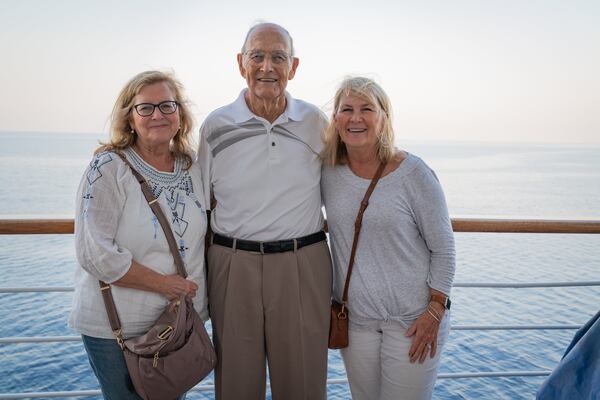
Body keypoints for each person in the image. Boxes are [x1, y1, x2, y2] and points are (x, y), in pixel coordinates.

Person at [197, 22, 332, 400]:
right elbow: (200, 203)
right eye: (257, 56)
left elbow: (342, 185)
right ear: (241, 63)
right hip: (232, 263)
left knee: (304, 385)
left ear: (294, 66)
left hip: (302, 263)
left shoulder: (316, 123)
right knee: (237, 386)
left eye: (278, 57)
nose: (267, 67)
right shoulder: (215, 126)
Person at [69, 70, 208, 400]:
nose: (157, 115)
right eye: (145, 108)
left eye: (167, 106)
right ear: (130, 118)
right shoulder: (108, 168)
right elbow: (94, 251)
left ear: (180, 114)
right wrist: (165, 284)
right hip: (118, 329)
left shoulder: (192, 167)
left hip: (177, 325)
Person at [321, 77, 456, 400]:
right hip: (355, 322)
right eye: (347, 109)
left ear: (383, 119)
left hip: (413, 321)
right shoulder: (327, 172)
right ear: (336, 119)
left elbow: (444, 249)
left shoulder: (414, 173)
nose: (356, 118)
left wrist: (435, 311)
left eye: (366, 109)